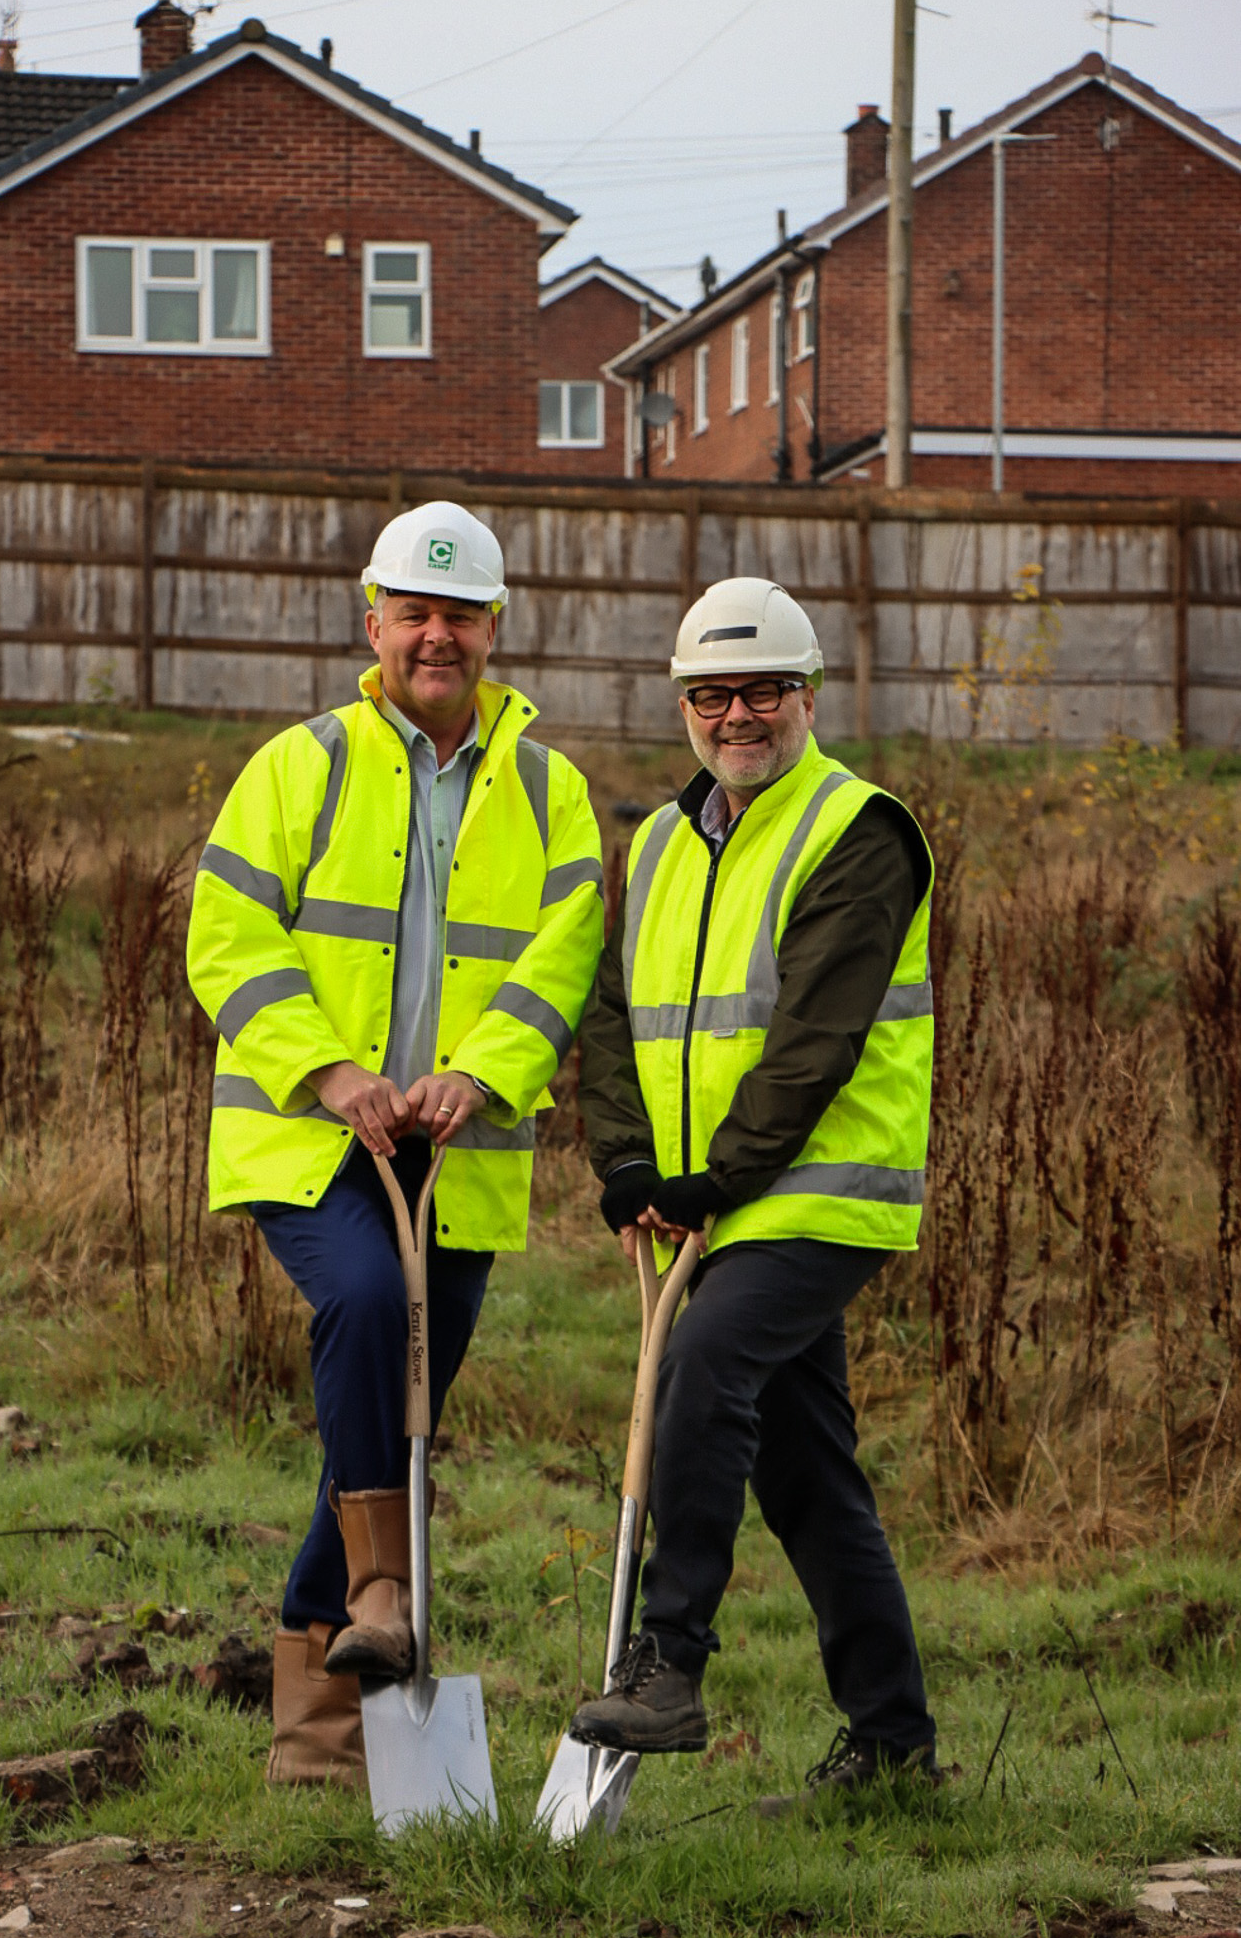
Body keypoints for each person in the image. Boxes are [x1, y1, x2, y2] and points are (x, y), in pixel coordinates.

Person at [187, 500, 604, 1788]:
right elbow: (229, 935)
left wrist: (483, 1071)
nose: (436, 635)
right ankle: (381, 1583)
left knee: (391, 1417)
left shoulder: (550, 788)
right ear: (372, 622)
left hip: (457, 1149)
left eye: (459, 614)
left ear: (494, 629)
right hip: (316, 1142)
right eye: (413, 613)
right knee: (366, 1306)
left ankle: (316, 1739)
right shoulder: (296, 766)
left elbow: (565, 950)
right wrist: (330, 1069)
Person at [571, 576, 938, 1794]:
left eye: (765, 690)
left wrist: (712, 1179)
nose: (740, 714)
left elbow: (813, 1045)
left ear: (809, 694)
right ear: (684, 704)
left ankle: (669, 1661)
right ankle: (893, 1745)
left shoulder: (858, 831)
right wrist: (627, 1164)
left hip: (819, 1192)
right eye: (714, 694)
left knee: (707, 1361)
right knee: (803, 1467)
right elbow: (613, 1012)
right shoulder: (665, 840)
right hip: (710, 1203)